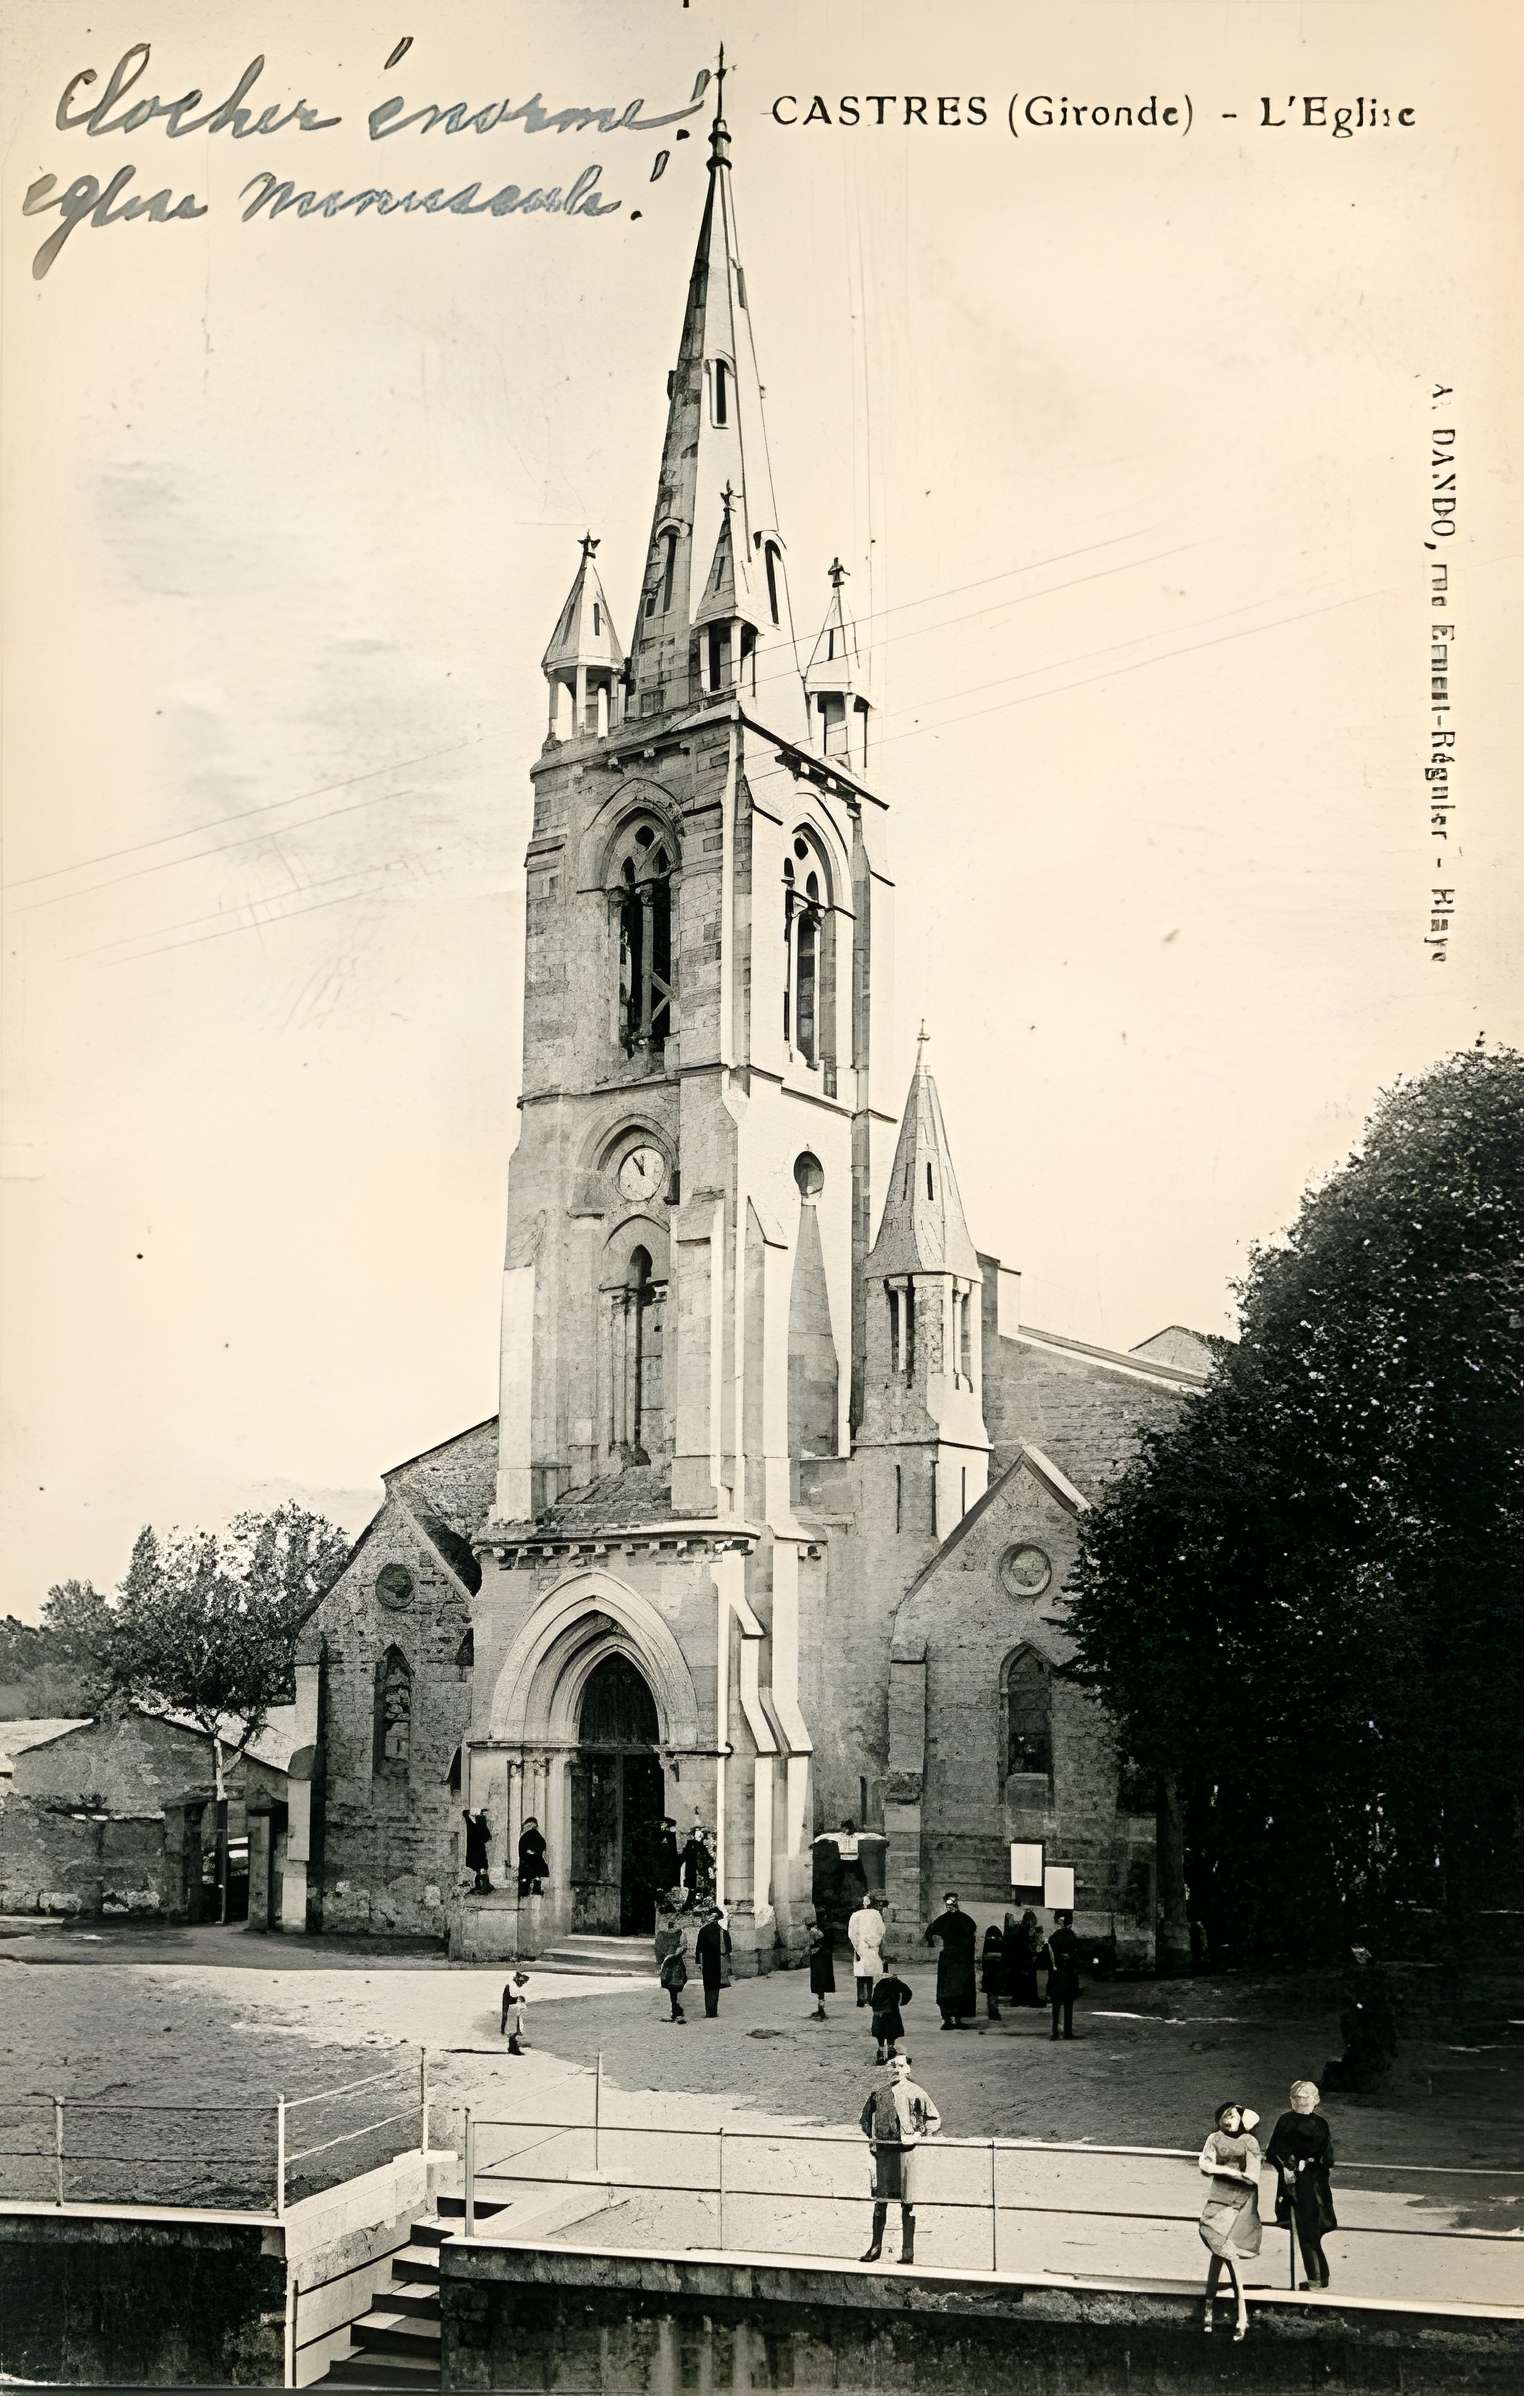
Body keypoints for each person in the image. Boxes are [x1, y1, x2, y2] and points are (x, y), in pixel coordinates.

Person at [858, 2053, 942, 2266]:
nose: (895, 2069)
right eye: (892, 2066)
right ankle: (875, 2247)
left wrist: (918, 2133)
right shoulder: (878, 2094)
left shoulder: (917, 2092)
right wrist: (874, 2138)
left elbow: (934, 2119)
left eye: (900, 2066)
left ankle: (908, 2251)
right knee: (880, 2202)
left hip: (907, 2154)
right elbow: (865, 2119)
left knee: (908, 2203)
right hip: (884, 2154)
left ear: (908, 2070)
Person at [1197, 2100, 1263, 2341]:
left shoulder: (1249, 2142)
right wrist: (1233, 2172)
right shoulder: (1214, 2138)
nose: (1227, 2120)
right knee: (1225, 2254)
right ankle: (1240, 2318)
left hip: (1238, 2207)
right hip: (1215, 2207)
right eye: (1224, 2116)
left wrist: (1222, 2170)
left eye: (1232, 2116)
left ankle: (1210, 2311)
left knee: (1222, 2257)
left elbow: (1253, 2178)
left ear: (1242, 2119)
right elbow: (1205, 2165)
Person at [1267, 2081, 1337, 2290]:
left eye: (1307, 2097)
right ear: (1292, 2100)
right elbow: (1273, 2152)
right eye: (1299, 2097)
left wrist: (1304, 2165)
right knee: (1306, 2232)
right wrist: (1286, 2168)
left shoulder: (1320, 2124)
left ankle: (1318, 2278)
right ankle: (1318, 2277)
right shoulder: (1286, 2121)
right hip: (1295, 2182)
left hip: (1313, 2183)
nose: (1303, 2101)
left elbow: (1327, 2157)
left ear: (1315, 2101)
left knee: (1310, 2232)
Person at [1322, 1947, 1398, 2095]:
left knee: (1363, 2045)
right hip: (1366, 2017)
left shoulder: (1369, 1975)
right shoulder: (1369, 1974)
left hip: (1368, 2018)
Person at [923, 1893, 977, 2029]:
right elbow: (930, 1933)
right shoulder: (957, 1919)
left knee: (957, 1990)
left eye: (951, 1904)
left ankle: (955, 2019)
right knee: (950, 1990)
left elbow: (930, 1933)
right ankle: (949, 2019)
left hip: (958, 1960)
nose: (950, 1907)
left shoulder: (962, 1920)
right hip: (953, 1960)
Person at [1042, 1909, 1082, 2041]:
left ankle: (1055, 2031)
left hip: (1057, 1974)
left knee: (1056, 2004)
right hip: (1069, 1974)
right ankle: (1068, 2031)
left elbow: (1048, 1958)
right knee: (1068, 2004)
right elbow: (1077, 1957)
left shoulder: (1053, 1938)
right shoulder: (1072, 1937)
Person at [869, 1957, 913, 2063]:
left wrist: (874, 2006)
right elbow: (907, 1992)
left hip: (879, 2012)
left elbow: (869, 1997)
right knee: (892, 2031)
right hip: (892, 2010)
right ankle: (890, 2048)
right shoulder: (894, 1981)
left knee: (880, 2032)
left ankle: (880, 2051)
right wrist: (902, 2002)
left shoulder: (875, 1980)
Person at [847, 1892, 886, 2008]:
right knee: (868, 1974)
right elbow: (881, 1931)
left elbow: (852, 1933)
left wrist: (857, 1946)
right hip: (870, 1947)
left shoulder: (857, 1915)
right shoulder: (875, 1915)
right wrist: (875, 1943)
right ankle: (867, 1998)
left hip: (862, 1947)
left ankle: (862, 1998)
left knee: (863, 1974)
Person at [694, 1904, 731, 2019]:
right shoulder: (723, 1932)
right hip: (718, 1962)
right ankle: (713, 2011)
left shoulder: (703, 1931)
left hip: (707, 1962)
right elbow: (728, 1949)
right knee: (715, 1986)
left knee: (708, 1986)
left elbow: (698, 1948)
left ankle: (708, 2011)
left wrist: (698, 1963)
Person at [654, 1901, 688, 2024]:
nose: (670, 1917)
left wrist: (662, 1961)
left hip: (671, 1964)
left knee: (673, 1988)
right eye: (668, 1915)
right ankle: (676, 2013)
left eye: (671, 1915)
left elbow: (658, 1949)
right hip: (671, 1963)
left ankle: (676, 2013)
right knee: (673, 1988)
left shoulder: (670, 1932)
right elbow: (683, 1947)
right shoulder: (667, 1933)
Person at [1004, 1908, 1042, 2008]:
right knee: (1026, 1978)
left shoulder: (1022, 1929)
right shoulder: (1024, 1930)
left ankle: (1021, 1999)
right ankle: (1026, 1999)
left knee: (1022, 1979)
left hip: (1022, 1957)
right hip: (1025, 1957)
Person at [806, 1914, 836, 2018]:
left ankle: (821, 2009)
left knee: (819, 1982)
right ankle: (821, 2007)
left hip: (818, 1958)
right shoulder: (827, 1929)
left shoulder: (814, 1932)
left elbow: (812, 1944)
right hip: (825, 1957)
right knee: (822, 1983)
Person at [680, 1823, 714, 1912]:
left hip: (700, 1871)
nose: (700, 1836)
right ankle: (689, 1906)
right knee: (693, 1889)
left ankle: (691, 1906)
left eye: (701, 1835)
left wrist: (709, 1864)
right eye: (698, 1834)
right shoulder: (691, 1845)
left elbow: (707, 1858)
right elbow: (685, 1857)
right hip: (693, 1871)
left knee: (698, 1889)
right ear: (693, 1835)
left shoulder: (701, 1846)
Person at [517, 1815, 548, 1898]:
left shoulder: (524, 1836)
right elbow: (543, 1845)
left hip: (526, 1860)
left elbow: (521, 1849)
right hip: (536, 1859)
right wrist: (536, 1852)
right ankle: (536, 1889)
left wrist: (527, 1853)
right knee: (537, 1875)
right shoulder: (537, 1835)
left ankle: (524, 1889)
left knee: (525, 1876)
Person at [500, 1970, 530, 2056]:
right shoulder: (510, 1986)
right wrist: (517, 1999)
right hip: (511, 2011)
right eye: (521, 1981)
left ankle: (512, 2048)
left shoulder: (515, 1987)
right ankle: (513, 2048)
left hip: (515, 2011)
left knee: (517, 2029)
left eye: (523, 1982)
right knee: (513, 2030)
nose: (522, 1983)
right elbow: (507, 2000)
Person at [462, 1808, 492, 1894]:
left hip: (477, 1847)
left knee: (481, 1866)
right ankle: (481, 1885)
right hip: (472, 1847)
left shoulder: (478, 1820)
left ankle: (483, 1886)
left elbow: (486, 1836)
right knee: (477, 1866)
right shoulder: (467, 1820)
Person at [980, 1922, 1005, 2022]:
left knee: (991, 1994)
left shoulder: (987, 1945)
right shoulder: (999, 1945)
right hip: (996, 1973)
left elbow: (984, 1960)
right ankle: (994, 2013)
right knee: (994, 1994)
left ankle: (992, 2012)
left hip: (989, 1973)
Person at [655, 1815, 681, 1900]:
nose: (661, 1826)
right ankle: (662, 1888)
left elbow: (672, 1847)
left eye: (663, 1824)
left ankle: (664, 1888)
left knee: (666, 1872)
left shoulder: (669, 1833)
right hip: (663, 1857)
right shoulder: (665, 1833)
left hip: (668, 1857)